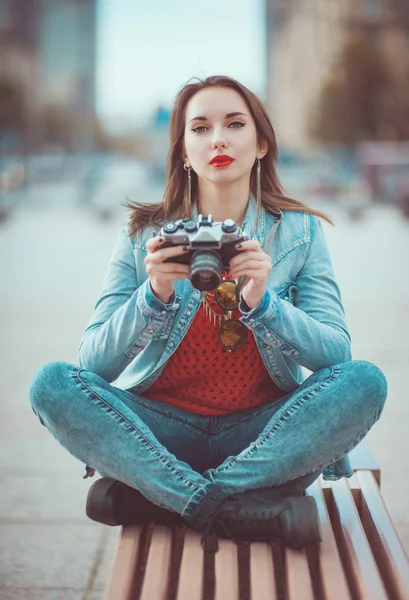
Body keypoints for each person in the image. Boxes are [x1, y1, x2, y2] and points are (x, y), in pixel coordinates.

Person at [29, 75, 387, 552]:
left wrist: (265, 305)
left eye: (234, 124)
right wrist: (153, 294)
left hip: (264, 435)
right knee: (50, 384)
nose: (217, 138)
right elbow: (92, 364)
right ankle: (232, 507)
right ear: (182, 151)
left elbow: (336, 355)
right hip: (160, 432)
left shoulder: (299, 232)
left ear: (261, 144)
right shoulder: (144, 235)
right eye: (199, 128)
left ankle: (167, 498)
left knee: (365, 381)